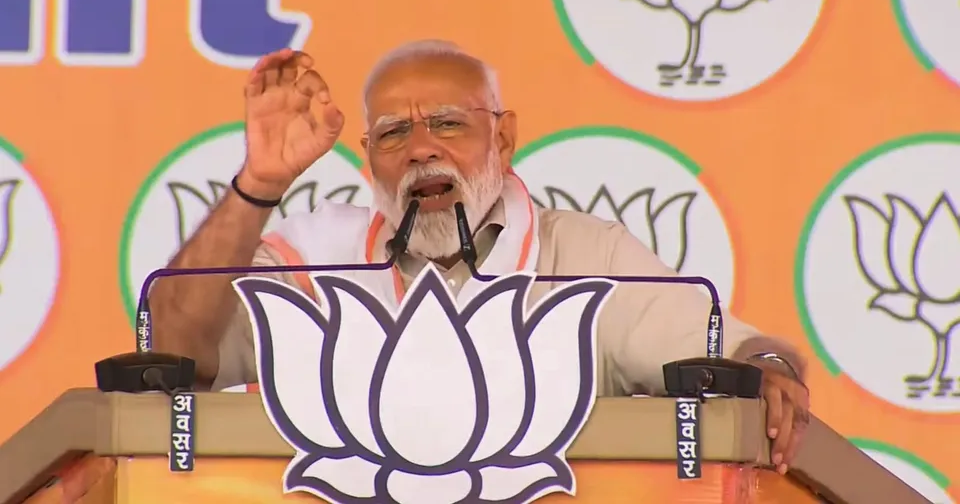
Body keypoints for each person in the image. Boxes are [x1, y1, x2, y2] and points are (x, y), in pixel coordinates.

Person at [149, 40, 810, 474]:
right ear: (368, 159)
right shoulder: (316, 259)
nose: (420, 150)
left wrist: (771, 368)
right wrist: (259, 182)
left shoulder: (582, 256)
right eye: (394, 133)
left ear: (504, 137)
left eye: (447, 124)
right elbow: (174, 346)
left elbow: (739, 355)